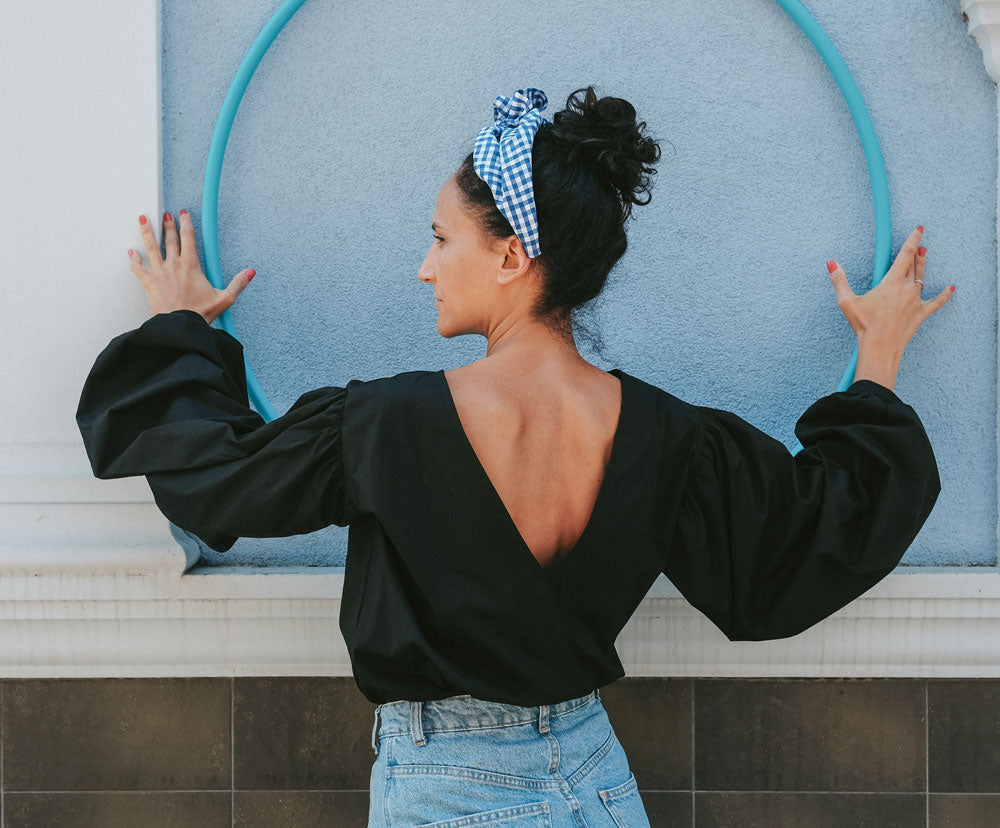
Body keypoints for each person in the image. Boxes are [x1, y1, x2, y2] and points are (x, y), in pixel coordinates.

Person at [76, 86, 949, 827]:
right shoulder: (668, 435)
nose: (425, 268)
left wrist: (180, 326)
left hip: (444, 788)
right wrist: (878, 356)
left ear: (508, 254)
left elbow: (217, 480)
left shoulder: (385, 423)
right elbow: (806, 541)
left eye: (441, 238)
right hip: (597, 783)